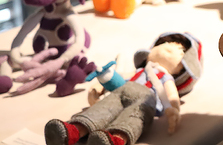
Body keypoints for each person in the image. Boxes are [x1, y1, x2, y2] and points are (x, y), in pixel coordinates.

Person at [44, 32, 202, 145]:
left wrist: (173, 108)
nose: (170, 46)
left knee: (134, 118)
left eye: (180, 50)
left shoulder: (165, 77)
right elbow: (121, 76)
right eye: (166, 43)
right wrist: (100, 86)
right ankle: (73, 131)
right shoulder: (139, 71)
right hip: (122, 90)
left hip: (146, 99)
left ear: (181, 71)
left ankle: (115, 140)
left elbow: (171, 94)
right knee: (103, 108)